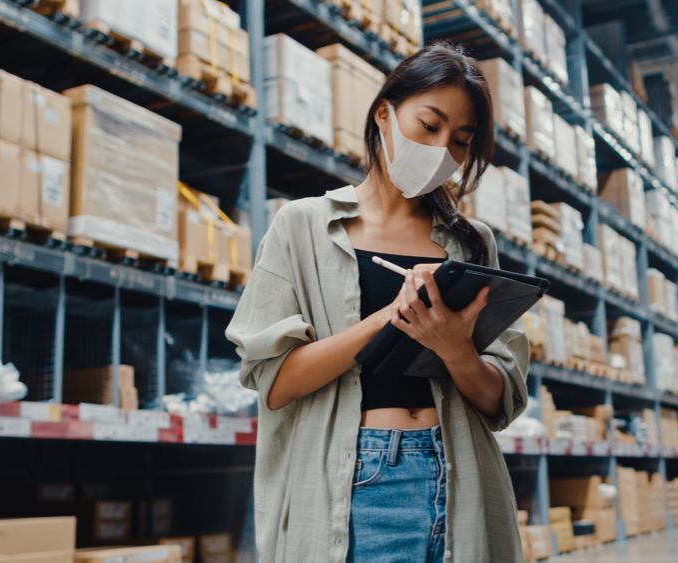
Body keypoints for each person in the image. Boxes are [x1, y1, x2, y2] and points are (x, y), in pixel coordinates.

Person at [226, 42, 528, 562]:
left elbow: (499, 403)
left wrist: (456, 349)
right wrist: (394, 317)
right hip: (360, 481)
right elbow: (275, 383)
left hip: (459, 473)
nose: (442, 151)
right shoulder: (304, 226)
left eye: (460, 140)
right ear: (384, 114)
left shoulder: (470, 243)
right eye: (429, 126)